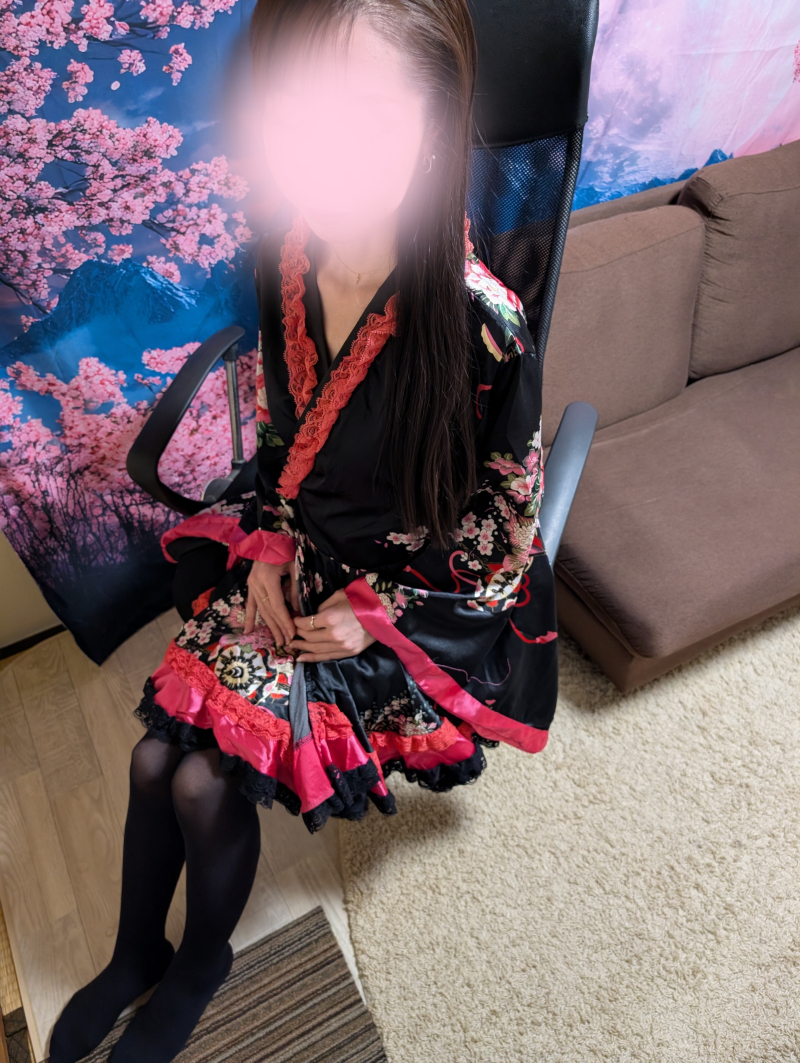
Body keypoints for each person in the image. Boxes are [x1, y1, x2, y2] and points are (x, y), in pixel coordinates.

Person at [49, 0, 558, 1059]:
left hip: (405, 605)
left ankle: (202, 963)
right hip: (299, 553)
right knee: (150, 763)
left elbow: (501, 531)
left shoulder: (480, 322)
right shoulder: (283, 256)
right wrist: (273, 544)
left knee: (199, 778)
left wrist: (375, 613)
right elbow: (284, 441)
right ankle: (135, 952)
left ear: (431, 124)